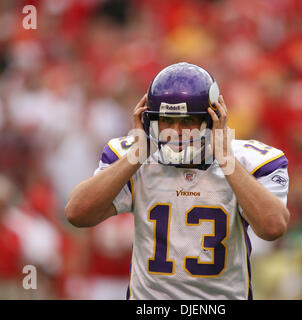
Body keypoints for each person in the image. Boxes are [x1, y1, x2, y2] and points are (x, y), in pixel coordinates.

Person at [65, 62, 290, 300]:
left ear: (214, 118)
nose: (176, 131)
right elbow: (77, 213)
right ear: (147, 119)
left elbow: (272, 227)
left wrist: (226, 159)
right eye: (166, 121)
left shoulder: (250, 161)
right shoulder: (134, 158)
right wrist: (135, 156)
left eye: (187, 121)